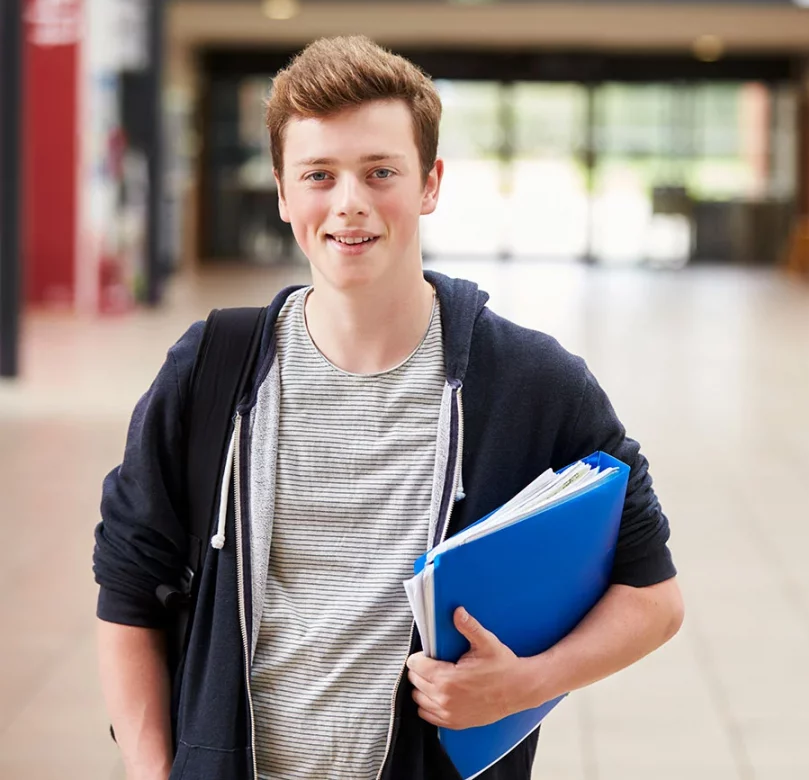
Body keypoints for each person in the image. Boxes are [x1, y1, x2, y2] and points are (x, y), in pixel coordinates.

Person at [92, 35, 683, 780]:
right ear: (282, 190)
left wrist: (527, 682)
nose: (350, 205)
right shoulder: (210, 371)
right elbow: (127, 594)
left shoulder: (530, 382)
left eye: (381, 172)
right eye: (319, 175)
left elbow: (654, 595)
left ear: (430, 183)